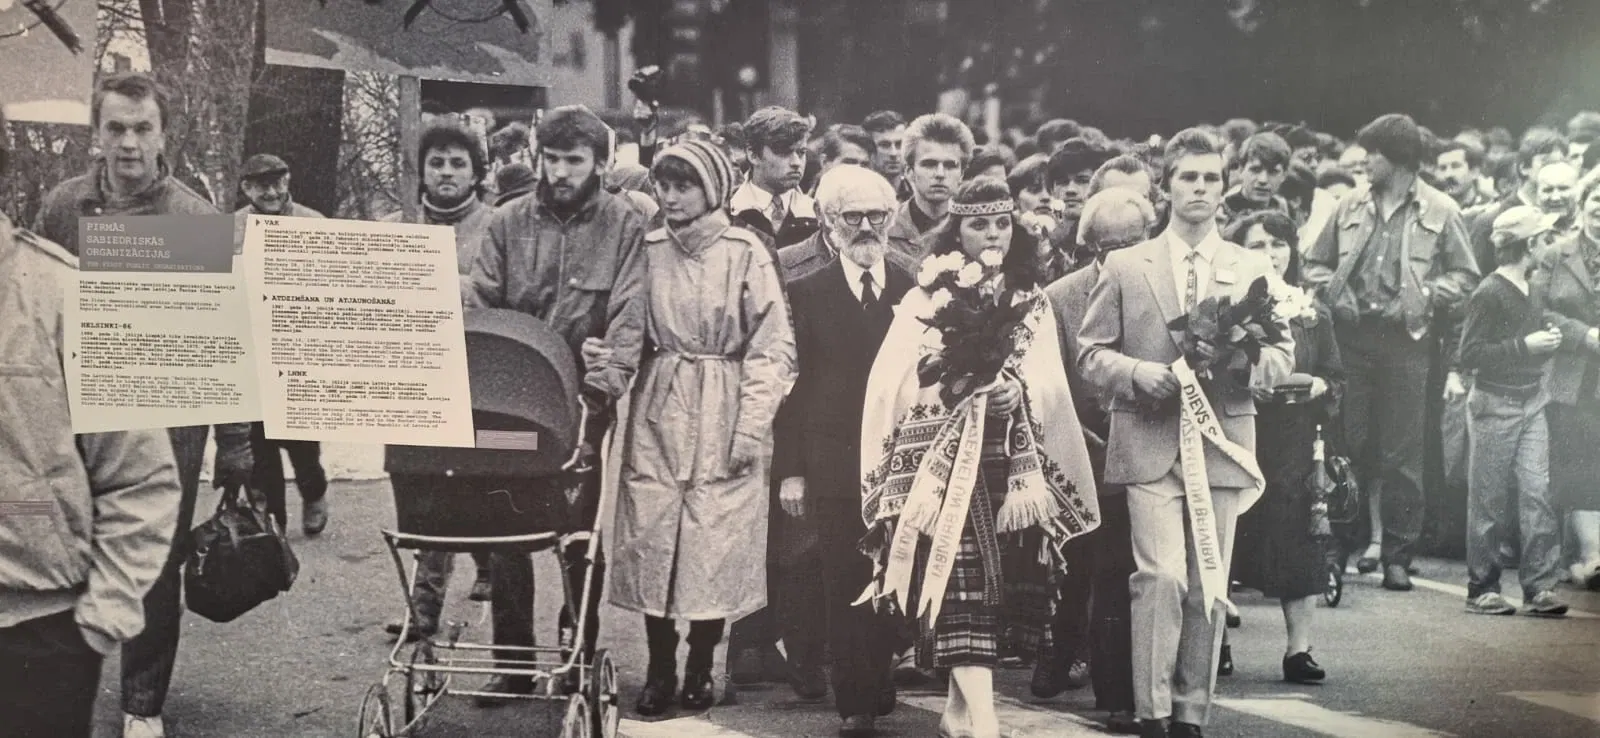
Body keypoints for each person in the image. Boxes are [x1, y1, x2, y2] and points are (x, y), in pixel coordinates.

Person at [860, 177, 1101, 738]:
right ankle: (986, 722)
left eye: (1000, 223)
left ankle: (959, 711)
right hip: (941, 462)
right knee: (961, 578)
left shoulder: (1030, 297)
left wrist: (1018, 389)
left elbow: (1048, 380)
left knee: (999, 590)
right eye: (977, 224)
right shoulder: (923, 297)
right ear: (957, 229)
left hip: (1011, 461)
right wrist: (949, 388)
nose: (991, 235)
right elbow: (893, 381)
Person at [1078, 128, 1295, 738]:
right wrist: (1137, 373)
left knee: (1208, 581)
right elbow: (1091, 353)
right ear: (1166, 186)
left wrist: (1243, 361)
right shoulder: (1127, 264)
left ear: (1223, 189)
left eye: (1210, 179)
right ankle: (1150, 709)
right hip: (1149, 440)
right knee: (1161, 576)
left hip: (1221, 442)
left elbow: (1281, 356)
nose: (1199, 189)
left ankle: (1190, 710)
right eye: (1187, 178)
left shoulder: (1250, 265)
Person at [0, 105, 184, 738]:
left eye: (142, 128)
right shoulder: (64, 202)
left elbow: (142, 478)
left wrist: (96, 623)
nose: (129, 143)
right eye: (116, 128)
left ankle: (143, 700)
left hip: (38, 626)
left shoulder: (64, 291)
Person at [459, 105, 653, 701]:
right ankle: (512, 665)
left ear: (598, 162)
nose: (563, 171)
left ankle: (575, 657)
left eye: (576, 159)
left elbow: (628, 315)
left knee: (577, 536)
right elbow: (482, 302)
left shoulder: (625, 225)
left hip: (583, 401)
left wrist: (602, 388)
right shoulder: (506, 221)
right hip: (511, 399)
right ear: (537, 159)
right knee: (506, 531)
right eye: (553, 158)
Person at [604, 140, 797, 716]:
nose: (670, 197)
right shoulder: (649, 248)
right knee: (654, 534)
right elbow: (628, 326)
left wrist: (750, 428)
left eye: (684, 185)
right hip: (660, 404)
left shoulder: (744, 251)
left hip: (724, 400)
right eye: (663, 185)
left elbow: (772, 348)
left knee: (713, 540)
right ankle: (659, 667)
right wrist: (609, 370)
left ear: (711, 189)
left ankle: (700, 664)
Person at [1302, 113, 1479, 593]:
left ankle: (1398, 556)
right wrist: (1335, 294)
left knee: (1403, 453)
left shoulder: (1443, 211)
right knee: (1346, 445)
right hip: (1351, 341)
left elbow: (1465, 276)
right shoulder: (1346, 205)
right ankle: (1336, 550)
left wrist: (1421, 297)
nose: (1363, 162)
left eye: (1373, 154)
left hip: (1408, 342)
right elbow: (1313, 265)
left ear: (1398, 159)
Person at [773, 163, 912, 737]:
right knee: (842, 575)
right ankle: (854, 699)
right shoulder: (804, 293)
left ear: (890, 218)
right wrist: (791, 473)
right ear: (829, 224)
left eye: (875, 216)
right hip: (830, 461)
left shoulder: (915, 288)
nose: (864, 227)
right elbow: (792, 391)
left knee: (895, 571)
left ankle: (881, 675)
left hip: (901, 461)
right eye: (850, 216)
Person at [1042, 186, 1158, 735]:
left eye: (1132, 243)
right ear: (1086, 246)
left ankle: (1147, 685)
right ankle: (1113, 692)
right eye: (1104, 247)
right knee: (1106, 573)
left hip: (1154, 443)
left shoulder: (1164, 284)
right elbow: (1048, 379)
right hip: (1087, 448)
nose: (1116, 257)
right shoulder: (1060, 296)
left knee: (1149, 570)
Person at [382, 123, 505, 641]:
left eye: (458, 163)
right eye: (437, 163)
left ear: (476, 171)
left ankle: (472, 576)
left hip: (479, 375)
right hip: (413, 374)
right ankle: (435, 596)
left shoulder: (500, 226)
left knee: (474, 482)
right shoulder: (394, 224)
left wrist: (440, 285)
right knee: (421, 489)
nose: (447, 173)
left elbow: (503, 298)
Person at [1223, 209, 1343, 683]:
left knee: (1300, 535)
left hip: (1295, 438)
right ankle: (1217, 642)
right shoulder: (1229, 309)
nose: (1270, 255)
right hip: (1240, 430)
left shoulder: (1312, 314)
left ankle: (1299, 648)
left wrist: (1318, 386)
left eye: (1278, 245)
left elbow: (1337, 377)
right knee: (1229, 534)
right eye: (1257, 246)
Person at [1459, 206, 1570, 617]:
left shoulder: (1533, 288)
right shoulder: (1488, 292)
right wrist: (1526, 347)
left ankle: (1540, 585)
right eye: (1544, 238)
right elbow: (1469, 354)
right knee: (1489, 497)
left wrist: (1548, 338)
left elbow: (1531, 332)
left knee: (1536, 491)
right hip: (1494, 404)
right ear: (1529, 245)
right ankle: (1482, 586)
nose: (1549, 245)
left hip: (1530, 401)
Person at [1531, 174, 1600, 591]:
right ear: (1583, 203)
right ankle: (1587, 555)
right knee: (1574, 462)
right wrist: (1584, 335)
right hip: (1573, 375)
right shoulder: (1556, 255)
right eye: (1597, 198)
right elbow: (1539, 311)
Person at [885, 113, 976, 264]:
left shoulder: (973, 229)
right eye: (929, 164)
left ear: (961, 174)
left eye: (950, 165)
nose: (940, 174)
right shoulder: (887, 228)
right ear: (909, 171)